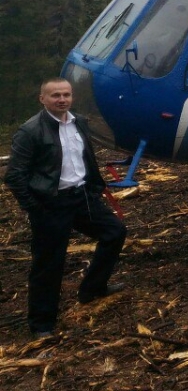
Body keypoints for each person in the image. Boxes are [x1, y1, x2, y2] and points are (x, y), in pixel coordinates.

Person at [4, 78, 128, 338]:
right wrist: (35, 209)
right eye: (55, 95)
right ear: (43, 99)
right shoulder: (31, 131)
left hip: (82, 197)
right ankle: (42, 325)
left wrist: (93, 187)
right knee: (49, 264)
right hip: (50, 204)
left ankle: (92, 289)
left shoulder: (79, 122)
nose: (62, 99)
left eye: (66, 94)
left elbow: (85, 159)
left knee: (114, 232)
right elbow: (14, 175)